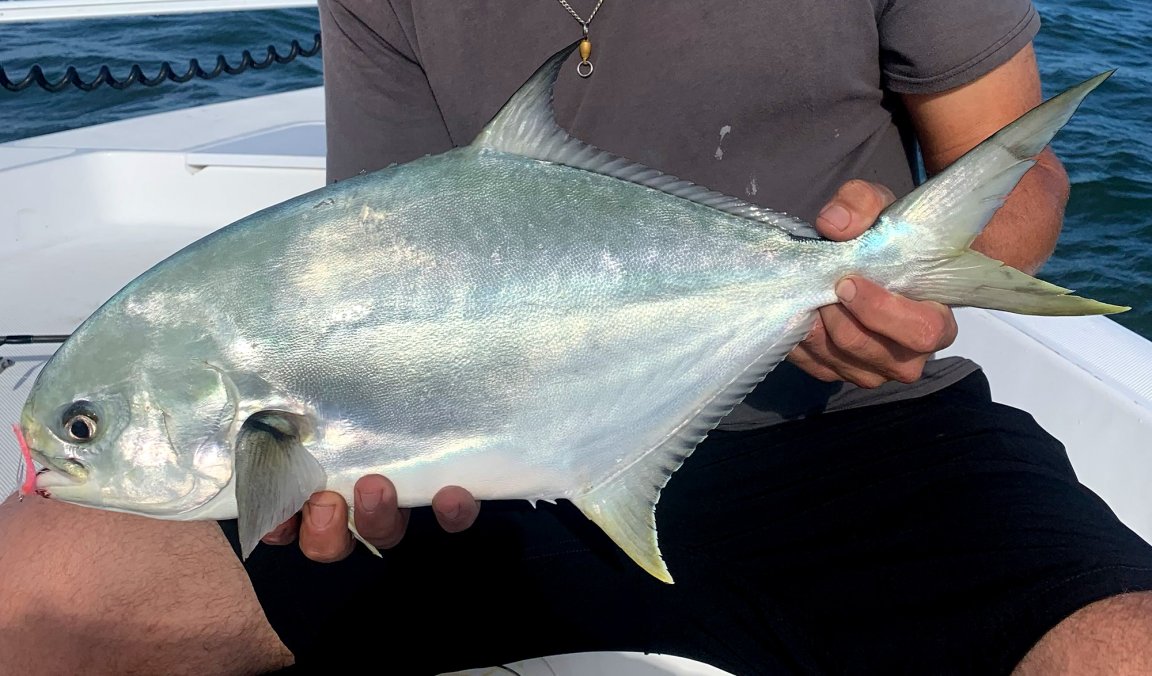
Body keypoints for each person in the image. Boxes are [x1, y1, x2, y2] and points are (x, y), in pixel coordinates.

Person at [2, 1, 1152, 673]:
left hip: (855, 422)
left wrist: (910, 281)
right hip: (498, 459)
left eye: (92, 425)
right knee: (29, 590)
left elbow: (1022, 170)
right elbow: (387, 230)